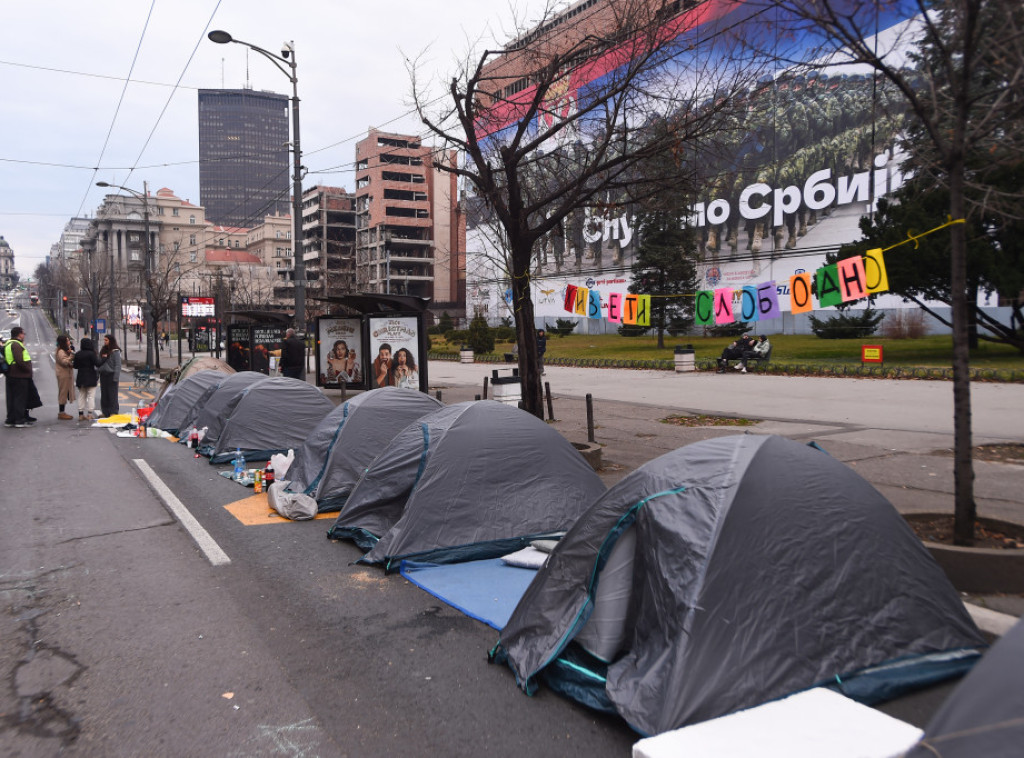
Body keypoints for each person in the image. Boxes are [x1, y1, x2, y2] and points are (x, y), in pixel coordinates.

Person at [4, 326, 34, 428]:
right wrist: (28, 369)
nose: (24, 335)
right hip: (19, 375)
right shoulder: (16, 345)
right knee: (19, 398)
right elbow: (19, 360)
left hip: (11, 375)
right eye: (23, 333)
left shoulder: (8, 343)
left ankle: (11, 419)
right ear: (19, 334)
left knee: (11, 398)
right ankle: (19, 420)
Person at [73, 337, 102, 421]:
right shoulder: (91, 354)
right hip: (91, 376)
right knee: (91, 396)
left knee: (82, 395)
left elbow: (75, 366)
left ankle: (81, 414)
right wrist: (104, 358)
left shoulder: (78, 354)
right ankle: (89, 414)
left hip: (81, 376)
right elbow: (97, 364)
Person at [98, 334, 123, 417]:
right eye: (104, 340)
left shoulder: (116, 351)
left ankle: (113, 411)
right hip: (103, 374)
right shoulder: (103, 350)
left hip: (111, 374)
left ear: (110, 341)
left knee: (112, 394)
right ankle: (105, 412)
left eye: (106, 340)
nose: (104, 342)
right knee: (104, 394)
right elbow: (99, 362)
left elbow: (118, 365)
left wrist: (116, 376)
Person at [55, 334, 76, 420]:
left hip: (66, 374)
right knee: (63, 392)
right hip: (63, 375)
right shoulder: (60, 352)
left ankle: (62, 411)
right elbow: (64, 362)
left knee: (65, 392)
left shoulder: (64, 351)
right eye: (67, 341)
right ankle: (61, 412)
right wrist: (71, 356)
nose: (69, 342)